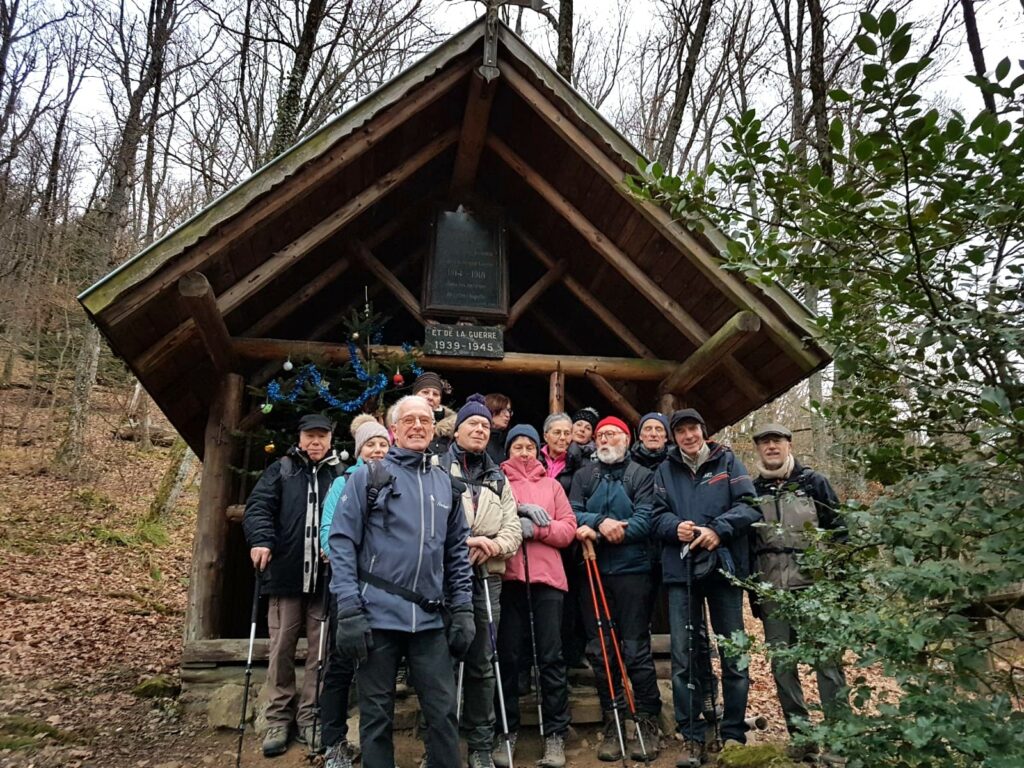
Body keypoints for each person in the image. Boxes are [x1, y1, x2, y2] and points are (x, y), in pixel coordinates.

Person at [328, 395, 476, 768]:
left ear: (433, 428)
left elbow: (457, 553)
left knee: (442, 714)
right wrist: (348, 608)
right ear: (394, 430)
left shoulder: (447, 485)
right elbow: (343, 542)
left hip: (429, 620)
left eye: (425, 420)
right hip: (376, 616)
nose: (417, 426)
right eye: (408, 420)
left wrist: (463, 609)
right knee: (377, 718)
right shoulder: (368, 476)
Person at [651, 409, 761, 767]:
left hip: (724, 568)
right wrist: (674, 527)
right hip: (681, 570)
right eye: (680, 431)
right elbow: (655, 515)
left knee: (733, 651)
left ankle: (732, 734)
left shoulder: (728, 461)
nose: (687, 436)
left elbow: (750, 507)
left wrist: (718, 529)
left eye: (692, 429)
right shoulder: (665, 469)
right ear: (674, 436)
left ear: (703, 430)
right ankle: (692, 735)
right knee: (684, 657)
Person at [242, 414, 342, 757]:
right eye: (310, 436)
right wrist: (261, 540)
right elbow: (258, 508)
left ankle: (312, 715)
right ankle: (278, 717)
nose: (316, 442)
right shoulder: (282, 469)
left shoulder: (340, 474)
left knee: (320, 651)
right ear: (300, 438)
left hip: (326, 580)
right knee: (282, 646)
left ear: (331, 439)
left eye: (322, 436)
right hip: (285, 575)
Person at [750, 423, 847, 763]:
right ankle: (803, 737)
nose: (771, 447)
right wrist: (755, 595)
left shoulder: (813, 482)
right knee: (782, 667)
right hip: (773, 591)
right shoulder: (752, 489)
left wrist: (840, 585)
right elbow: (750, 547)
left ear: (789, 444)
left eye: (776, 441)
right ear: (758, 449)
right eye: (764, 443)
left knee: (828, 664)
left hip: (815, 588)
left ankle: (838, 742)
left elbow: (839, 532)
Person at [571, 415, 662, 762]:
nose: (606, 439)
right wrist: (598, 522)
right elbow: (572, 511)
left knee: (636, 648)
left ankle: (646, 721)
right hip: (591, 571)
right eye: (601, 435)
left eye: (613, 434)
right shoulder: (584, 476)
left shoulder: (641, 474)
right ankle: (614, 721)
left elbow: (645, 518)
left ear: (626, 439)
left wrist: (612, 530)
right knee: (600, 650)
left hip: (633, 572)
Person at [443, 394, 523, 768]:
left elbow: (513, 530)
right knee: (439, 660)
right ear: (457, 429)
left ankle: (481, 744)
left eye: (484, 426)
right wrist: (462, 543)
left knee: (482, 661)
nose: (479, 429)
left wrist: (490, 545)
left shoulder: (498, 477)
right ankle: (439, 745)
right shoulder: (438, 469)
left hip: (487, 579)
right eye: (472, 424)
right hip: (443, 578)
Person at [495, 424, 577, 768]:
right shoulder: (497, 482)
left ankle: (556, 734)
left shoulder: (553, 485)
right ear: (509, 451)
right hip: (510, 579)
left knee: (550, 657)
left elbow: (568, 528)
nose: (525, 452)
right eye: (518, 447)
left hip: (547, 580)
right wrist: (517, 516)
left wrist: (539, 529)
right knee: (509, 657)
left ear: (537, 450)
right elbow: (490, 520)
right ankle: (506, 731)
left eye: (530, 446)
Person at [317, 415, 391, 768]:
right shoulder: (342, 483)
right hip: (348, 586)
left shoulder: (399, 481)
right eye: (370, 444)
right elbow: (329, 529)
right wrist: (346, 559)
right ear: (359, 450)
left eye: (382, 444)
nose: (377, 450)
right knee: (341, 665)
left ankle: (378, 742)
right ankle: (332, 741)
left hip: (387, 590)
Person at [541, 412, 588, 671]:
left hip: (569, 540)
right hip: (539, 540)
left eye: (566, 433)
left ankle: (570, 654)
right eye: (556, 432)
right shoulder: (534, 458)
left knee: (570, 599)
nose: (562, 438)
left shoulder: (581, 463)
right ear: (545, 435)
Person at [412, 371, 456, 456]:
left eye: (435, 394)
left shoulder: (453, 429)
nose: (430, 397)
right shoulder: (398, 422)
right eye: (425, 392)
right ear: (414, 395)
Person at [485, 393, 513, 465]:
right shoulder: (479, 439)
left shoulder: (508, 443)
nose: (507, 415)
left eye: (509, 411)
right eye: (503, 411)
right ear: (491, 411)